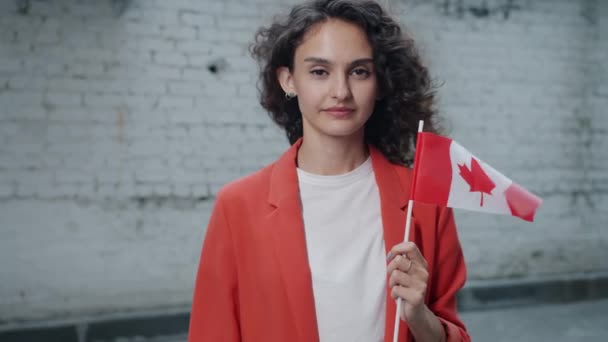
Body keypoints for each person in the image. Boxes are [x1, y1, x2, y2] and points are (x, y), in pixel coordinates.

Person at [188, 0, 470, 341]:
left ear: (380, 83)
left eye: (359, 71)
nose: (341, 92)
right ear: (288, 80)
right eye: (319, 71)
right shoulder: (238, 206)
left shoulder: (424, 201)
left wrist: (418, 315)